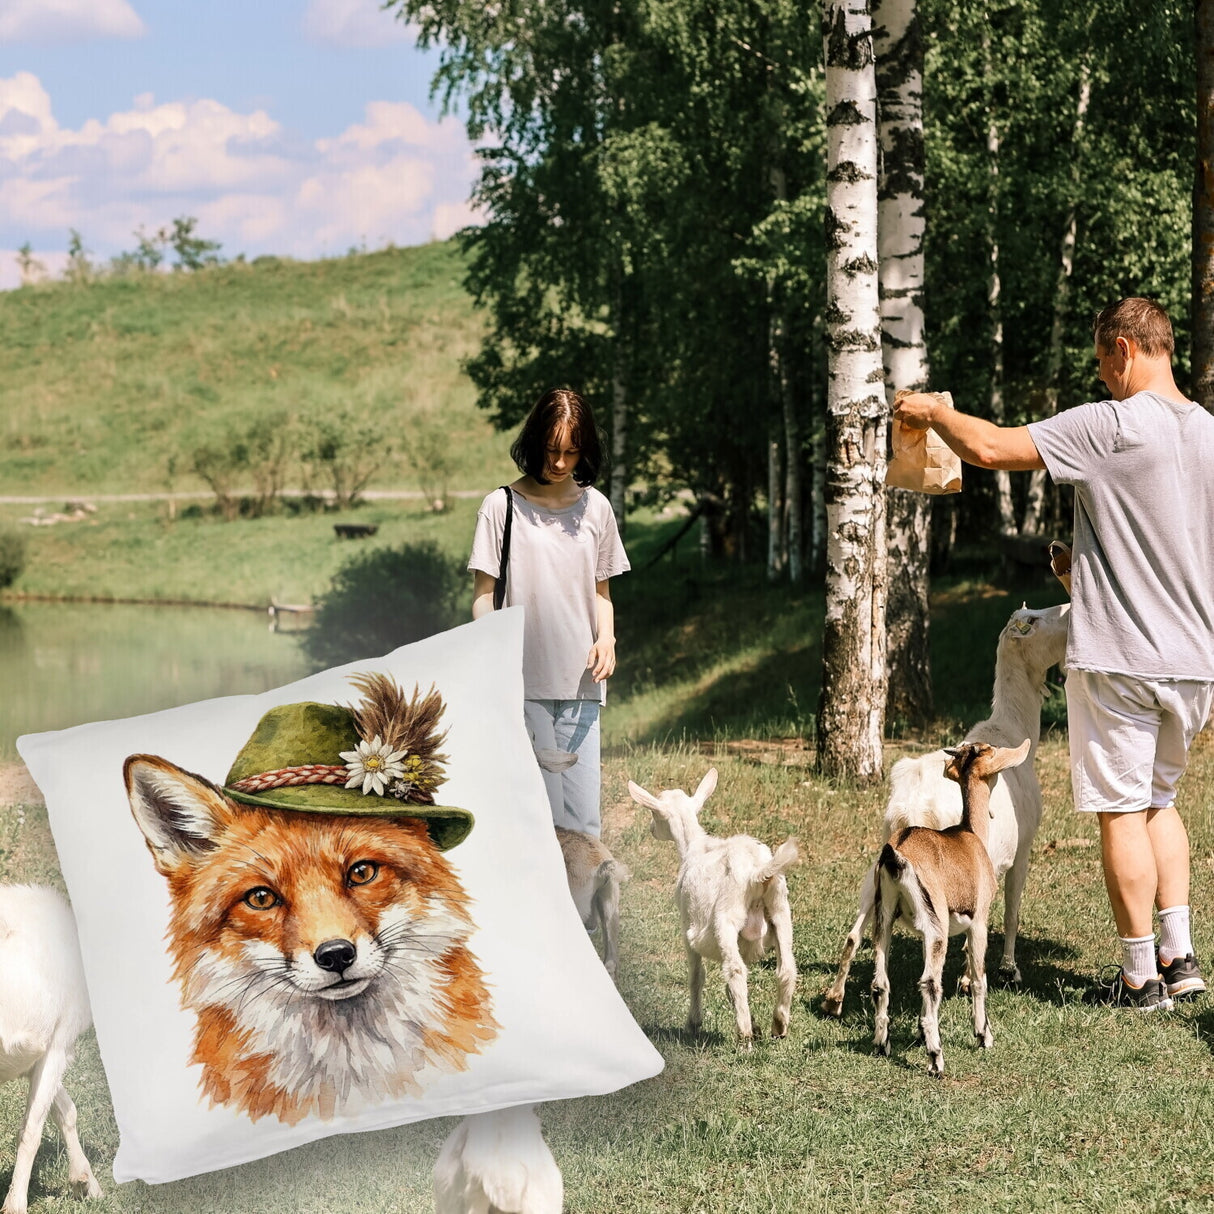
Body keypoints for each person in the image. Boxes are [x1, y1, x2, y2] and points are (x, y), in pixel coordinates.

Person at [895, 297, 1214, 1010]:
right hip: (1194, 658)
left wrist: (935, 414)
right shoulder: (1210, 436)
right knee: (1162, 801)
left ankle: (1139, 979)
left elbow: (990, 448)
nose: (1103, 380)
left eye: (1104, 365)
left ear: (1124, 351)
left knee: (1122, 810)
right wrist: (1089, 574)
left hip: (1124, 659)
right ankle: (1181, 957)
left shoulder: (1112, 424)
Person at [468, 388, 629, 837]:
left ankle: (587, 910)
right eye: (552, 450)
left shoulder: (596, 507)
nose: (559, 463)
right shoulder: (500, 507)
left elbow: (602, 593)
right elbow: (483, 597)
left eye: (571, 453)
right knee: (542, 822)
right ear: (534, 441)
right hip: (523, 687)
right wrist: (500, 649)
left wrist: (607, 640)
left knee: (584, 826)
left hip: (582, 685)